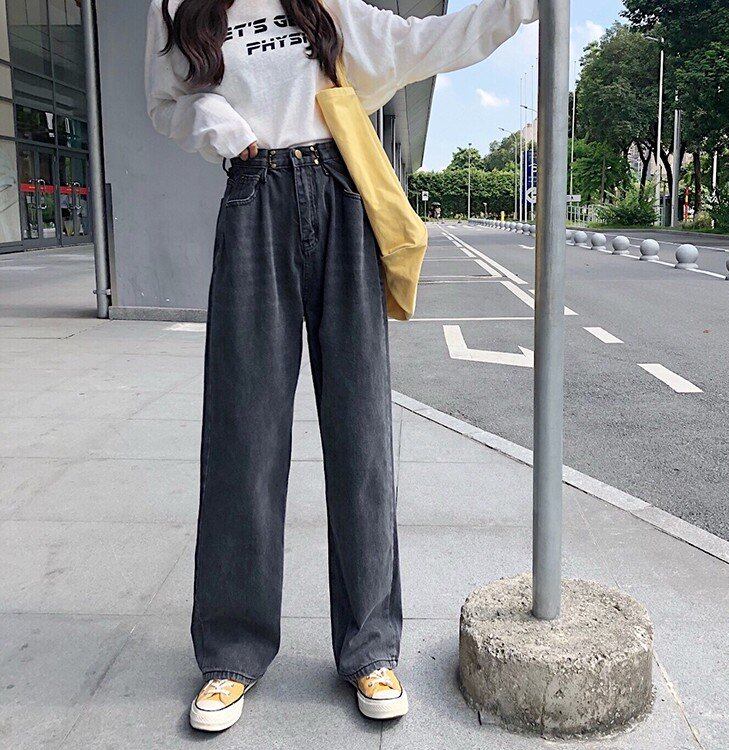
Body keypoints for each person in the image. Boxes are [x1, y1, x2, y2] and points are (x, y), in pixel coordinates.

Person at [145, 0, 537, 732]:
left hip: (340, 189)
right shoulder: (178, 6)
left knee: (360, 436)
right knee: (242, 436)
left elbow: (423, 41)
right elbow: (165, 101)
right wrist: (219, 124)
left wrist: (514, 8)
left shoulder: (321, 5)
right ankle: (231, 653)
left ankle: (369, 649)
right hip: (253, 194)